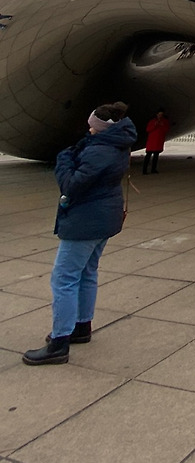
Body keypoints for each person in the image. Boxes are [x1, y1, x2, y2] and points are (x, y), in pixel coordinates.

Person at [23, 102, 137, 365]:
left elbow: (72, 185)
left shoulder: (100, 150)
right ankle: (81, 326)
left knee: (64, 278)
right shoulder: (116, 143)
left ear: (100, 128)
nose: (88, 128)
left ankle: (60, 341)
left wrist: (63, 160)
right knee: (87, 272)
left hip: (86, 220)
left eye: (92, 125)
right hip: (103, 218)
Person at [142, 110, 169, 174]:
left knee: (156, 156)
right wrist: (155, 125)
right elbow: (148, 129)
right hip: (152, 141)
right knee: (148, 156)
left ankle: (153, 169)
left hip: (158, 141)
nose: (160, 116)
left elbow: (166, 129)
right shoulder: (152, 121)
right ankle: (144, 170)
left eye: (161, 115)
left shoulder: (164, 121)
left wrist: (162, 125)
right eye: (159, 114)